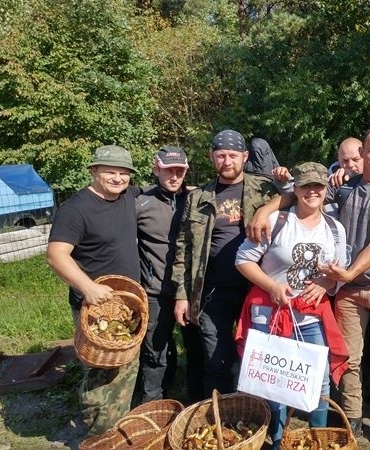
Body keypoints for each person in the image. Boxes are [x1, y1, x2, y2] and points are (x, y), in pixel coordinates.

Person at [249, 126, 370, 450]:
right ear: (363, 153)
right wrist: (266, 208)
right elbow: (306, 191)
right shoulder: (345, 188)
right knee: (349, 359)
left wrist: (346, 273)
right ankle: (351, 419)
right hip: (348, 291)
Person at [234, 162, 349, 450]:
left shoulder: (334, 229)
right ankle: (276, 440)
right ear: (295, 189)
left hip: (311, 317)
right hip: (270, 313)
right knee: (275, 383)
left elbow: (341, 272)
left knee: (319, 380)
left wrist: (326, 285)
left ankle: (318, 438)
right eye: (306, 186)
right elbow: (243, 260)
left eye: (318, 186)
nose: (312, 192)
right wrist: (272, 286)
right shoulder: (276, 221)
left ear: (326, 190)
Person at [171, 129, 280, 398]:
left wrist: (266, 209)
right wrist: (182, 296)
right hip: (212, 291)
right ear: (212, 157)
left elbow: (292, 197)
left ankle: (257, 415)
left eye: (233, 155)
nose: (227, 161)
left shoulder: (264, 189)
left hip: (255, 289)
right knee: (216, 360)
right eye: (221, 155)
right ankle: (222, 420)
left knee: (258, 358)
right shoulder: (198, 198)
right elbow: (183, 247)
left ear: (245, 157)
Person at [46, 145, 141, 435]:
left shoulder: (129, 197)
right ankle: (97, 434)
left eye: (124, 173)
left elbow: (170, 185)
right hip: (95, 305)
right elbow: (56, 255)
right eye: (110, 171)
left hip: (126, 303)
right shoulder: (75, 209)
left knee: (125, 366)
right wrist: (87, 287)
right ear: (94, 171)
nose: (118, 178)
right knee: (101, 370)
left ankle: (116, 427)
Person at [132, 146, 191, 406]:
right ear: (157, 169)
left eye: (180, 171)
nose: (174, 176)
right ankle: (152, 404)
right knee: (155, 350)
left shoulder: (195, 199)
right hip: (156, 290)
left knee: (195, 348)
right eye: (169, 170)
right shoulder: (140, 201)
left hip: (190, 291)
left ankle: (191, 397)